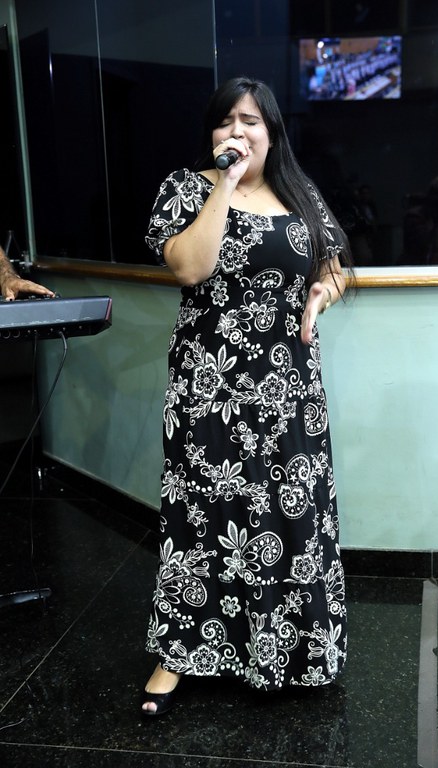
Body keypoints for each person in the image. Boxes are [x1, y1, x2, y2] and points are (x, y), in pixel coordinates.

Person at [142, 77, 354, 716]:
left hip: (289, 388)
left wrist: (322, 295)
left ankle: (287, 651)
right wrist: (226, 184)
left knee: (291, 516)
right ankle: (178, 656)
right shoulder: (187, 188)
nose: (236, 131)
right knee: (203, 517)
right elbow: (190, 267)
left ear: (272, 132)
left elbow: (335, 264)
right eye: (226, 121)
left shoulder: (299, 191)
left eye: (251, 121)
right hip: (210, 385)